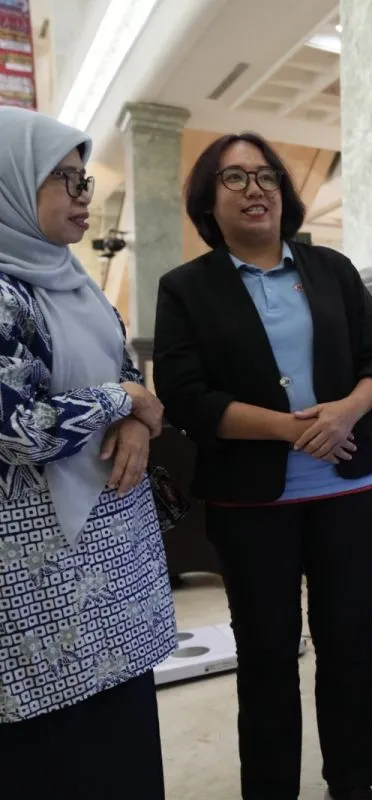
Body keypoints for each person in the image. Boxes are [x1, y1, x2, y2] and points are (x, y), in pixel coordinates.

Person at [152, 132, 372, 800]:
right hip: (251, 503)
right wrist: (289, 430)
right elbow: (185, 396)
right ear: (207, 199)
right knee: (266, 656)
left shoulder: (331, 270)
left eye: (266, 175)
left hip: (351, 489)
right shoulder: (186, 288)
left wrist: (346, 412)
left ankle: (354, 786)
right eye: (234, 178)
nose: (255, 189)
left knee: (347, 647)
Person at [0, 108, 174, 799]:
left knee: (123, 743)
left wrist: (135, 420)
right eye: (64, 179)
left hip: (117, 558)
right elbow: (17, 430)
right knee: (59, 758)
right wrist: (118, 403)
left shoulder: (79, 286)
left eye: (85, 180)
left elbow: (131, 380)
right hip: (39, 577)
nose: (82, 195)